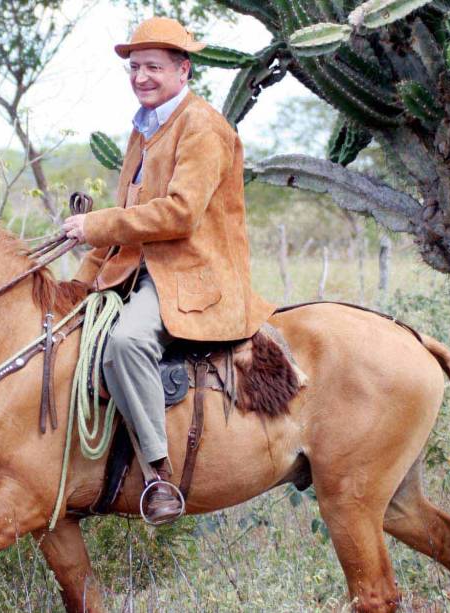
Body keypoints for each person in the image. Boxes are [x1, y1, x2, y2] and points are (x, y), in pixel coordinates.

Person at [63, 16, 274, 524]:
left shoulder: (204, 127)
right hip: (141, 269)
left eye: (153, 67)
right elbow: (121, 227)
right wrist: (78, 283)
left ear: (184, 71)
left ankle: (159, 475)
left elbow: (180, 213)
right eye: (134, 67)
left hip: (192, 275)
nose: (141, 77)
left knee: (126, 343)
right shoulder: (144, 129)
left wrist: (95, 224)